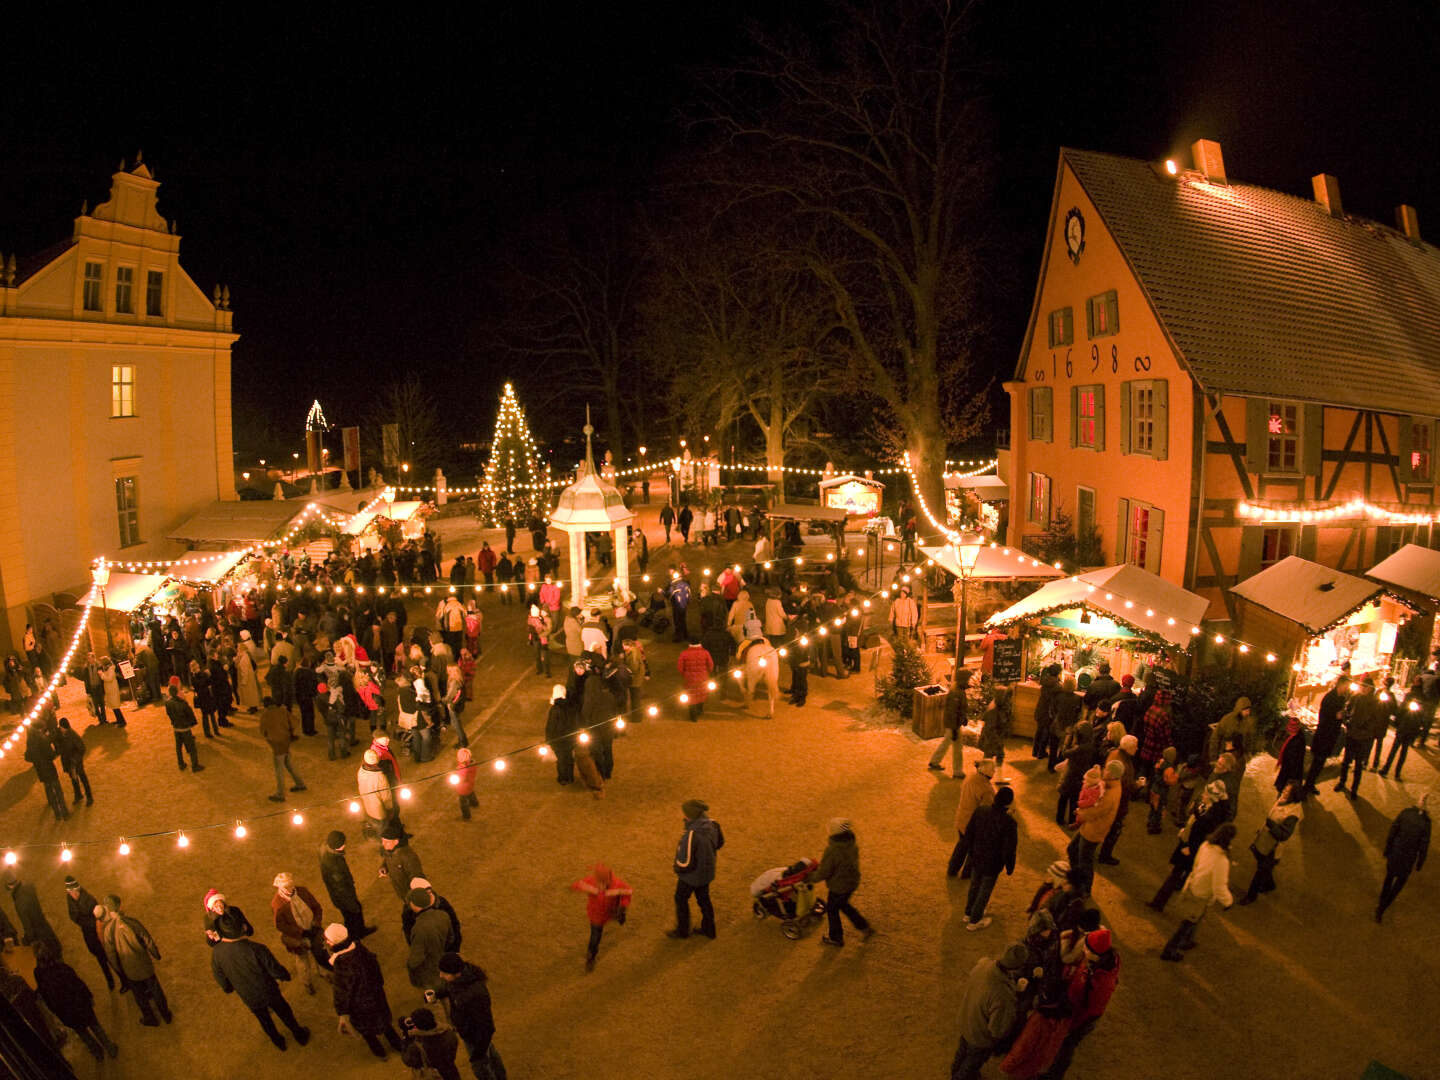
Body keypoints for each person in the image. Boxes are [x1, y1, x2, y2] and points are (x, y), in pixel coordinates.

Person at [211, 911, 311, 1050]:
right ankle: (299, 1034)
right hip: (269, 991)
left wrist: (228, 987)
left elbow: (220, 976)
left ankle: (278, 1041)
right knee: (284, 1012)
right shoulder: (256, 949)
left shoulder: (217, 952)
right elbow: (274, 969)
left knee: (264, 1019)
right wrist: (285, 976)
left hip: (248, 995)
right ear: (242, 929)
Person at [1039, 929, 1120, 1079]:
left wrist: (1072, 1025)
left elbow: (1090, 1010)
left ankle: (1054, 1075)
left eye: (1086, 947)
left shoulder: (1100, 983)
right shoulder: (1101, 962)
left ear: (1095, 953)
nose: (1083, 948)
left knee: (1067, 1046)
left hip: (1080, 1018)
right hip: (1075, 1008)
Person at [949, 944, 1029, 1080]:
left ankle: (955, 1071)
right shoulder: (1003, 995)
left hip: (966, 1019)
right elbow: (997, 1030)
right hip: (980, 1035)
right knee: (971, 1063)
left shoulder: (983, 964)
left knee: (962, 1051)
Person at [1149, 779, 1230, 912]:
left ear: (1212, 797)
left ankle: (1159, 903)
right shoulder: (1209, 808)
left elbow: (1199, 831)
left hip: (1190, 849)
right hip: (1189, 845)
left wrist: (1187, 845)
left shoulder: (1211, 816)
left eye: (1206, 793)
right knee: (1180, 874)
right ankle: (1163, 901)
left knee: (1176, 874)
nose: (1203, 795)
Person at [323, 923, 402, 1059]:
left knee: (368, 1033)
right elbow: (376, 971)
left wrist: (342, 1012)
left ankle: (380, 1054)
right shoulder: (360, 949)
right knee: (386, 1025)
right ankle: (398, 1045)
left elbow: (342, 993)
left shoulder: (342, 966)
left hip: (360, 1008)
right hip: (377, 997)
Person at [1160, 822, 1236, 961]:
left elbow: (1196, 864)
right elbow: (1219, 886)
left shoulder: (1206, 845)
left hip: (1193, 885)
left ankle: (1188, 940)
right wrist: (1228, 902)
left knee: (1194, 918)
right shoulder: (1222, 860)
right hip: (1202, 894)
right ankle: (1170, 950)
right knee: (1188, 923)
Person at [32, 939, 118, 1060]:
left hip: (66, 1012)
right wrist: (88, 996)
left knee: (82, 1032)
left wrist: (56, 1012)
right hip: (80, 1004)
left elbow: (45, 995)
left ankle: (97, 1053)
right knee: (94, 1025)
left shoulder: (38, 974)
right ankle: (110, 1048)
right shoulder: (63, 968)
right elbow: (78, 983)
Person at [97, 894, 172, 1026]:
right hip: (144, 965)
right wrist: (156, 954)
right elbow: (147, 939)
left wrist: (119, 970)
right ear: (119, 906)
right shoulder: (132, 922)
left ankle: (150, 1018)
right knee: (156, 991)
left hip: (129, 969)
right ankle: (166, 1015)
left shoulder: (108, 930)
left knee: (140, 996)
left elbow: (111, 954)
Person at [434, 952, 506, 1080]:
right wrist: (437, 994)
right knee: (490, 1053)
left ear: (456, 973)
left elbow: (487, 1027)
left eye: (444, 973)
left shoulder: (475, 994)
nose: (441, 976)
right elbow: (450, 988)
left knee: (481, 1069)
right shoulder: (459, 980)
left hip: (475, 1037)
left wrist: (478, 1053)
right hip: (471, 1033)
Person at [955, 787, 1018, 930]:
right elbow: (1009, 849)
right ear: (1008, 803)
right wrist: (1010, 867)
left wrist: (970, 851)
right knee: (985, 889)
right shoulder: (1009, 823)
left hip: (976, 856)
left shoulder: (981, 811)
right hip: (993, 862)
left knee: (974, 885)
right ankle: (975, 921)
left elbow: (969, 833)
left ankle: (968, 912)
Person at [1237, 783, 1304, 905]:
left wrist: (1271, 825)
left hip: (1272, 848)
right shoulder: (1283, 800)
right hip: (1265, 840)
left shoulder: (1292, 814)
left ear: (1293, 796)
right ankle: (1269, 884)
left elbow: (1284, 835)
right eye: (1284, 790)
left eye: (1287, 793)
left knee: (1260, 871)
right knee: (1263, 865)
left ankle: (1251, 896)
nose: (1283, 793)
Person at [810, 819, 872, 947]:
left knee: (832, 910)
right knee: (844, 905)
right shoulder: (851, 844)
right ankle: (864, 926)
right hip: (851, 881)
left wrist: (812, 877)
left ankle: (836, 938)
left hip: (838, 886)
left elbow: (825, 871)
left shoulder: (833, 850)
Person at [668, 798, 723, 940]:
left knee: (680, 899)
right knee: (704, 900)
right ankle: (709, 929)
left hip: (692, 876)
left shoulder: (692, 833)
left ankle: (683, 930)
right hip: (707, 872)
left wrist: (678, 869)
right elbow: (720, 843)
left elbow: (685, 861)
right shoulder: (712, 824)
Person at [1376, 794, 1431, 922]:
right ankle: (1383, 907)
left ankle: (1381, 900)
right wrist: (1419, 863)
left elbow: (1393, 831)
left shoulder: (1405, 813)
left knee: (1388, 878)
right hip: (1408, 859)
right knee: (1398, 885)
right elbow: (1424, 846)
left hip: (1395, 852)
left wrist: (1387, 848)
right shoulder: (1426, 824)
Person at [569, 863, 633, 971]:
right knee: (595, 937)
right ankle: (591, 957)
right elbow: (577, 885)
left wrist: (623, 906)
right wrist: (583, 887)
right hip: (596, 915)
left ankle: (621, 917)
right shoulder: (591, 882)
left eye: (605, 883)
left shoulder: (617, 884)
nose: (602, 886)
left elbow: (627, 893)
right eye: (599, 883)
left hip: (612, 911)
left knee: (618, 916)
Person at [271, 872, 326, 994]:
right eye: (286, 887)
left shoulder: (302, 891)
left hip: (314, 930)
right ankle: (307, 983)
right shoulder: (277, 904)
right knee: (303, 961)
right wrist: (300, 932)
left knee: (320, 952)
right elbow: (280, 925)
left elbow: (316, 907)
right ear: (280, 888)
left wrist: (316, 922)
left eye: (291, 885)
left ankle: (323, 972)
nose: (290, 888)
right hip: (298, 937)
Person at [1335, 675, 1386, 800]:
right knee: (1346, 761)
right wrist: (1347, 722)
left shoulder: (1375, 702)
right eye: (1362, 686)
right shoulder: (1356, 697)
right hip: (1352, 734)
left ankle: (1354, 789)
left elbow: (1376, 720)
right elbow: (1347, 709)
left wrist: (1365, 728)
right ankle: (1342, 782)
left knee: (1358, 765)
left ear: (1370, 689)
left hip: (1363, 738)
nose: (1362, 688)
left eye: (1365, 687)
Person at [320, 832, 375, 942]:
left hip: (340, 895)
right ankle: (355, 937)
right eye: (342, 844)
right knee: (352, 915)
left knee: (353, 913)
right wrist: (351, 903)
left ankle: (360, 931)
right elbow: (341, 887)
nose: (345, 845)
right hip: (343, 896)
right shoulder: (334, 865)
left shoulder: (327, 851)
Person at [948, 758, 996, 878]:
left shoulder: (970, 777)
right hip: (974, 824)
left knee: (961, 846)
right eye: (992, 769)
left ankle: (952, 869)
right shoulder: (986, 789)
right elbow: (987, 810)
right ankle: (967, 873)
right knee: (974, 851)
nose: (994, 771)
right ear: (984, 770)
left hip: (962, 818)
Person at [1302, 675, 1349, 796]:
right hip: (1324, 735)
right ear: (1340, 685)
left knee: (1320, 762)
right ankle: (1307, 786)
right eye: (1346, 686)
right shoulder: (1329, 698)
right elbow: (1323, 717)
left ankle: (1310, 784)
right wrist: (1335, 716)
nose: (1347, 689)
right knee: (1317, 761)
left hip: (1331, 736)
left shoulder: (1341, 698)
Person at [64, 876, 113, 989]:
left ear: (78, 889)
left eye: (75, 891)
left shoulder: (89, 899)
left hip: (97, 931)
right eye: (71, 892)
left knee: (109, 956)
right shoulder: (70, 900)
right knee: (100, 958)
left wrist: (88, 922)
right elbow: (73, 916)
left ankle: (122, 978)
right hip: (89, 934)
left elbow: (98, 916)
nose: (74, 894)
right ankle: (109, 979)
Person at [406, 887, 457, 992]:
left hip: (430, 970)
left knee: (437, 994)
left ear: (415, 905)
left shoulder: (419, 928)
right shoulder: (443, 915)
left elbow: (416, 959)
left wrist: (410, 966)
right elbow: (451, 938)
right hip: (443, 960)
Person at [260, 695, 306, 803]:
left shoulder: (265, 716)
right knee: (288, 763)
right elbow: (295, 721)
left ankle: (280, 793)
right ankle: (300, 783)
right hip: (286, 741)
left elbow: (263, 731)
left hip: (276, 744)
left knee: (279, 769)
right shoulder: (282, 711)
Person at [929, 668, 974, 774]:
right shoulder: (956, 692)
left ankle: (934, 761)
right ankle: (957, 771)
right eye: (967, 679)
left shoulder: (958, 689)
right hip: (953, 724)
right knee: (957, 748)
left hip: (953, 723)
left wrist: (963, 718)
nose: (969, 681)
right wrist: (954, 728)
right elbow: (952, 712)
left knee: (947, 743)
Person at [402, 1007, 462, 1080]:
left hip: (434, 1075)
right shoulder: (448, 1032)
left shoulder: (417, 1046)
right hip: (451, 1070)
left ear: (418, 1026)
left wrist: (406, 1040)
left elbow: (408, 1060)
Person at [4, 870, 59, 950]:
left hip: (38, 934)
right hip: (44, 926)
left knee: (48, 954)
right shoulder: (29, 886)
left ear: (10, 886)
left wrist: (28, 939)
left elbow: (27, 924)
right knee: (54, 947)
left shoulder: (19, 902)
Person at [1054, 720, 1095, 826]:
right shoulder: (1090, 745)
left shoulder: (1079, 748)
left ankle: (1060, 819)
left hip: (1071, 775)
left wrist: (1069, 737)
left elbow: (1065, 753)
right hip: (1081, 775)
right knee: (1074, 800)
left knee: (1063, 798)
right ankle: (1072, 820)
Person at [1378, 692, 1425, 780]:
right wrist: (1398, 726)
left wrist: (1415, 734)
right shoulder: (1406, 706)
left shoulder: (1419, 711)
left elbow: (1420, 722)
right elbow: (1398, 715)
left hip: (1409, 734)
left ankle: (1397, 773)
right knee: (1393, 751)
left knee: (1403, 753)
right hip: (1401, 732)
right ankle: (1385, 769)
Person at [164, 680, 205, 773]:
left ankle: (181, 764)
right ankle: (195, 766)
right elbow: (190, 715)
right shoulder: (183, 704)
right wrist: (191, 723)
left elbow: (168, 714)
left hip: (176, 728)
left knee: (178, 747)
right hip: (185, 728)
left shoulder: (168, 703)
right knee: (192, 748)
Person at [379, 821, 426, 902]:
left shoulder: (408, 856)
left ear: (396, 841)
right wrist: (384, 867)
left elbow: (417, 876)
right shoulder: (390, 850)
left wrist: (416, 897)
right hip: (402, 892)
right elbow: (387, 858)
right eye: (382, 841)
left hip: (412, 895)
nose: (383, 844)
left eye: (387, 841)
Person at [52, 716, 93, 806]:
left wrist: (75, 760)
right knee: (73, 779)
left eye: (63, 728)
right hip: (67, 761)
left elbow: (82, 749)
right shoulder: (59, 734)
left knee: (83, 778)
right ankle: (78, 795)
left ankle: (89, 797)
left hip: (75, 762)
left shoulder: (73, 736)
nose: (62, 729)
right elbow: (57, 743)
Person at [677, 638, 714, 722]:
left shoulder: (684, 653)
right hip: (703, 678)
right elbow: (711, 665)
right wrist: (707, 673)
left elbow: (680, 667)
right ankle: (699, 709)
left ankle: (693, 715)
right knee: (701, 693)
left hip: (689, 679)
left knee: (691, 695)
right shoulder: (705, 653)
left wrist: (685, 674)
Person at [977, 685, 1013, 768]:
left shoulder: (999, 705)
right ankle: (984, 771)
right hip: (991, 738)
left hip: (994, 737)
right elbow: (990, 729)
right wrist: (997, 741)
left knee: (995, 756)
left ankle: (994, 774)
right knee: (991, 756)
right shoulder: (993, 710)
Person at [455, 747, 480, 820]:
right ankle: (475, 803)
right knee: (471, 793)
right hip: (470, 784)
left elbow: (461, 778)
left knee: (463, 802)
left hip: (463, 788)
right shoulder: (472, 765)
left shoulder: (462, 769)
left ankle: (466, 816)